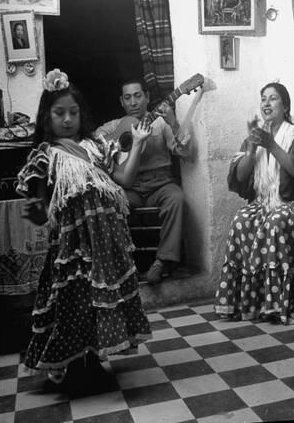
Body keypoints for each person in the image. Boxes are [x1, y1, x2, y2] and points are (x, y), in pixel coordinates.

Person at [16, 69, 152, 396]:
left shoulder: (95, 146)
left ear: (82, 114)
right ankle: (72, 367)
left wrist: (139, 146)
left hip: (103, 245)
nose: (67, 119)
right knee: (72, 303)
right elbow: (37, 200)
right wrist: (37, 211)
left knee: (96, 304)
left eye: (73, 113)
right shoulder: (45, 154)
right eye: (59, 113)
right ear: (46, 117)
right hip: (71, 247)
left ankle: (91, 361)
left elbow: (123, 180)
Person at [214, 82, 294, 324]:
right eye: (263, 98)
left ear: (285, 106)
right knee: (241, 219)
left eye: (273, 98)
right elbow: (241, 177)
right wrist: (253, 149)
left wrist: (271, 145)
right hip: (263, 202)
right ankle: (251, 302)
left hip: (291, 203)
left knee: (275, 221)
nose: (266, 103)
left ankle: (278, 305)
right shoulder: (254, 137)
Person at [96, 79, 191, 285]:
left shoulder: (162, 124)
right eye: (128, 97)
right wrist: (114, 144)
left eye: (138, 96)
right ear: (121, 101)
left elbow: (185, 153)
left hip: (161, 184)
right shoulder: (114, 126)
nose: (133, 102)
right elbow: (96, 142)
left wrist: (173, 122)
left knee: (177, 198)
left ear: (147, 97)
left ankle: (162, 261)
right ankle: (123, 263)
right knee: (113, 204)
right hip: (130, 187)